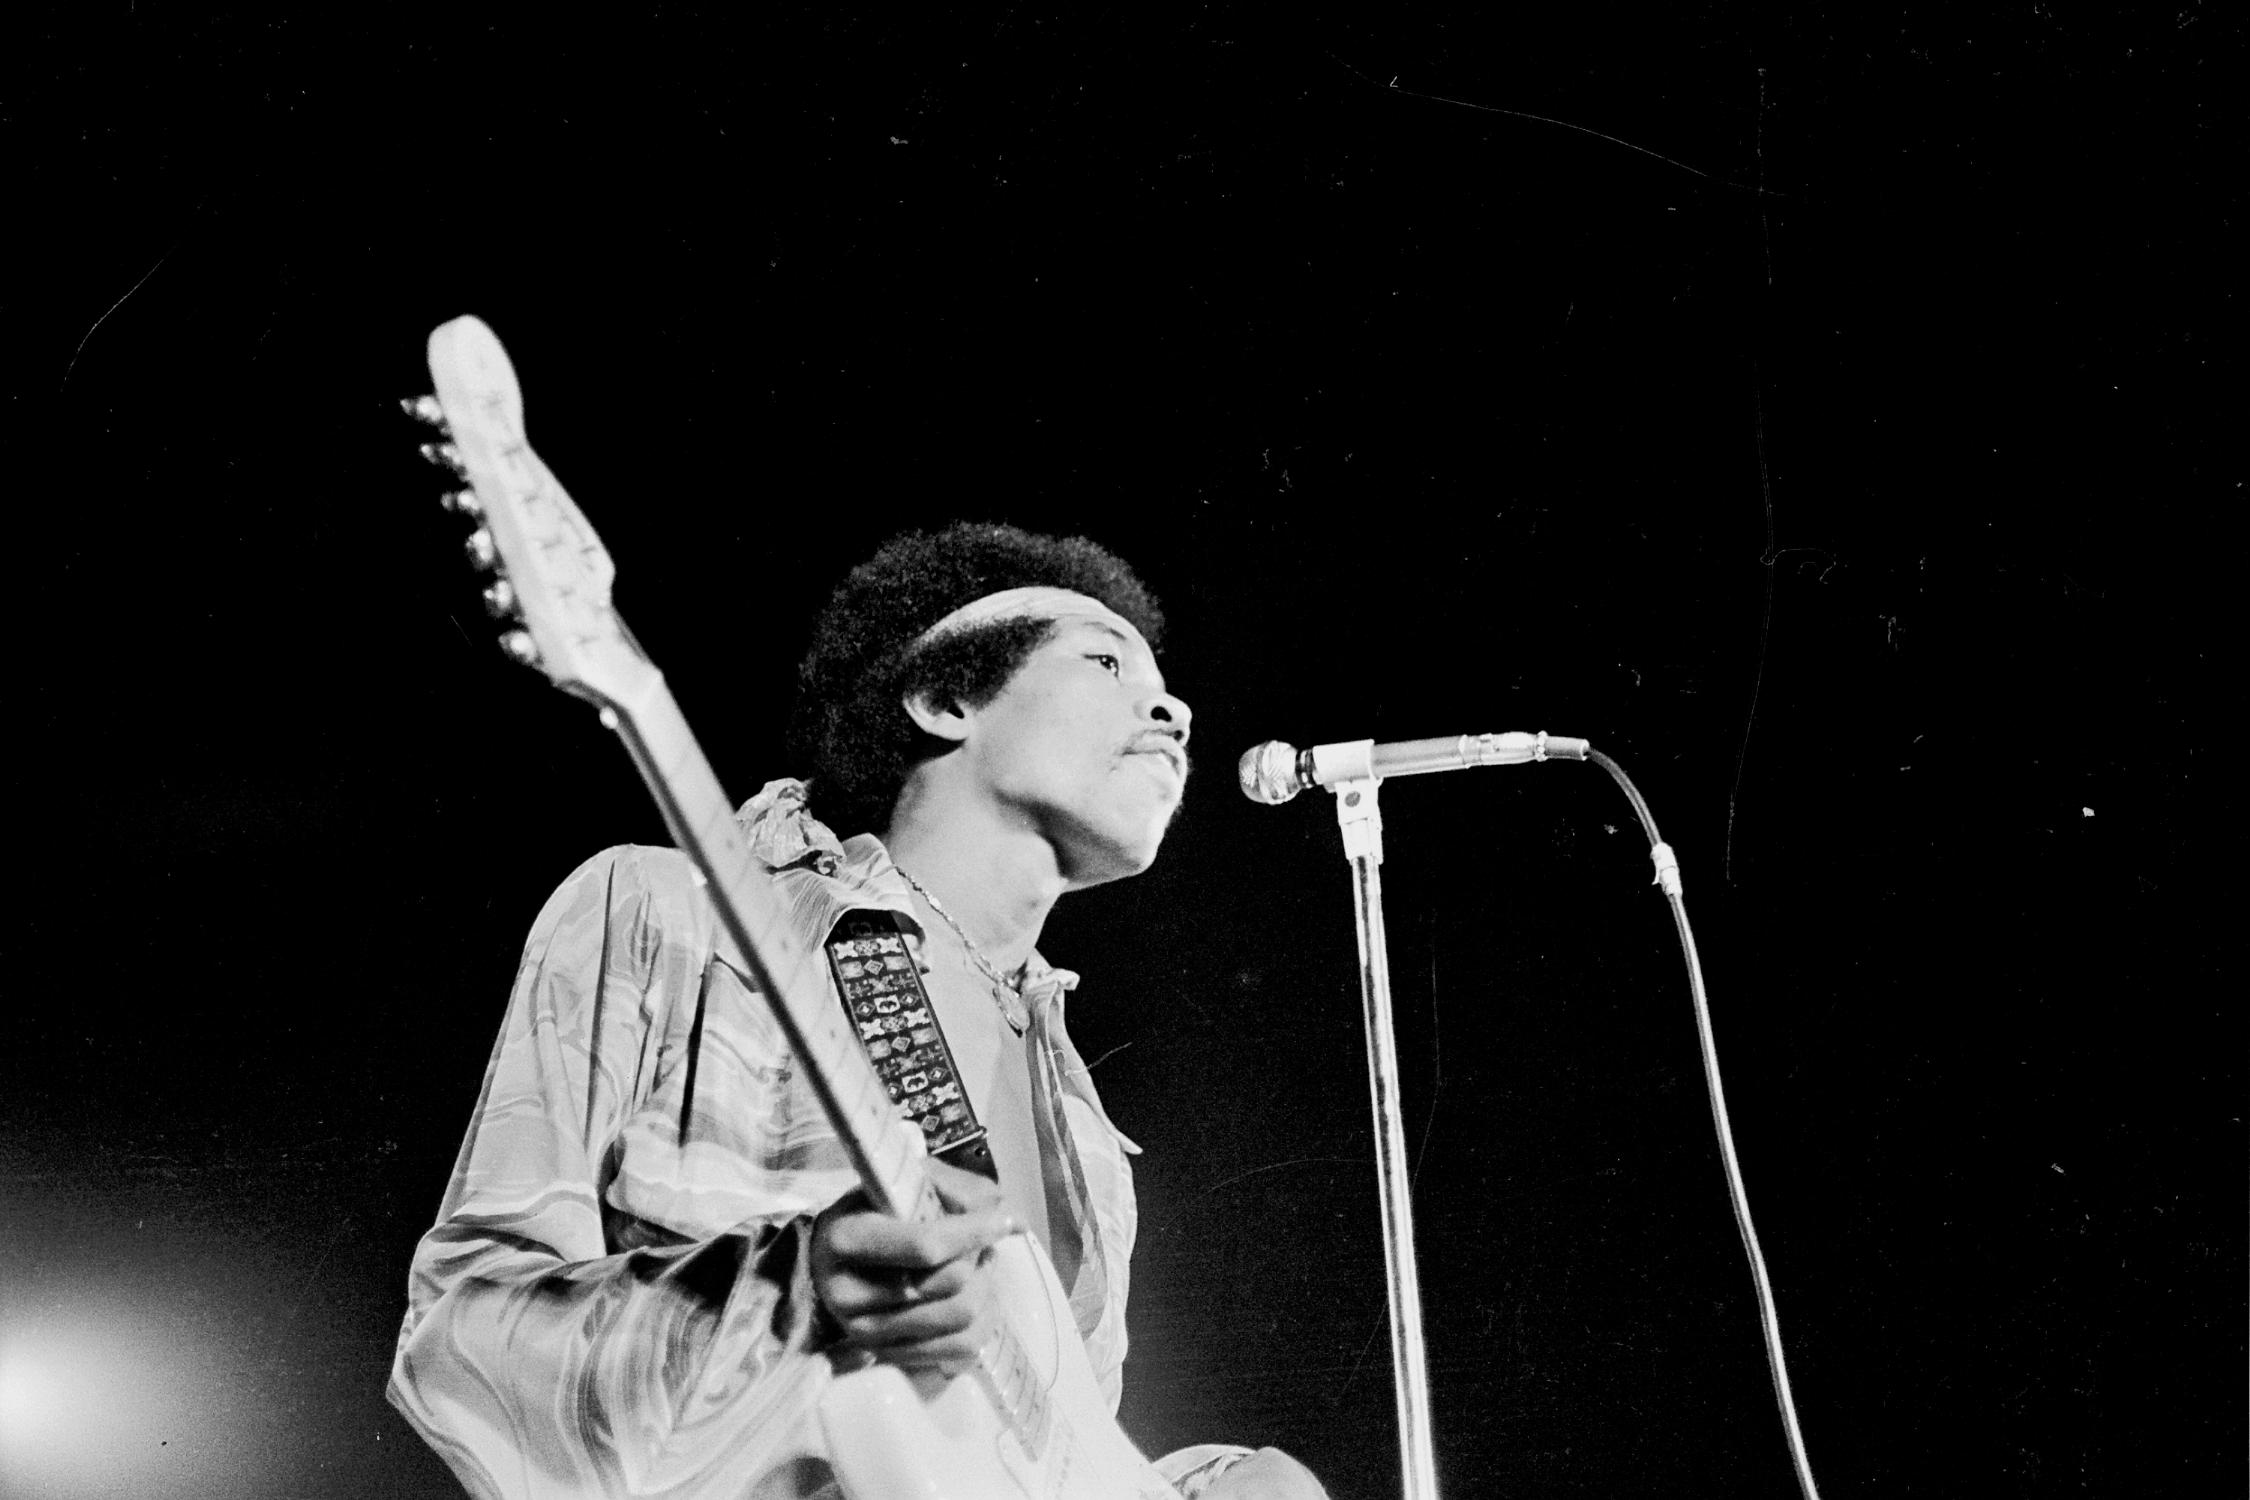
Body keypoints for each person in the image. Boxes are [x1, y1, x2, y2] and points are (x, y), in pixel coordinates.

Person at [388, 523, 1328, 1498]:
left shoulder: (1086, 1133)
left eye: (1166, 684)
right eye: (1104, 660)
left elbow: (1038, 1460)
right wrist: (793, 1300)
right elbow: (466, 1335)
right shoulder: (673, 919)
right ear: (945, 696)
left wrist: (1201, 1482)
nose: (1171, 709)